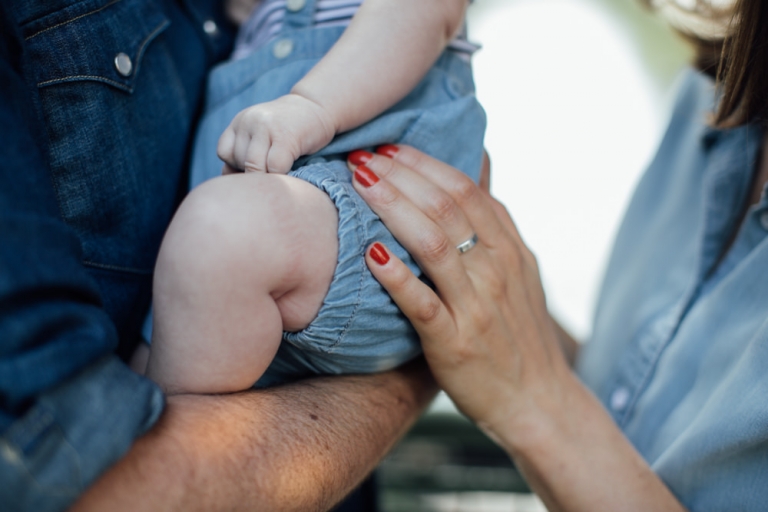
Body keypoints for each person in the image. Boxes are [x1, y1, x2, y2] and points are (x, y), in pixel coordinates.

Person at [0, 1, 438, 511]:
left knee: (225, 233)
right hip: (280, 241)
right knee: (199, 278)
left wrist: (313, 104)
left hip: (356, 199)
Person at [345, 0, 768, 509]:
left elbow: (556, 405)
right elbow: (633, 412)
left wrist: (536, 402)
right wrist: (476, 295)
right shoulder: (718, 91)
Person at [143, 0, 485, 393]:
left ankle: (176, 445)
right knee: (139, 367)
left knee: (223, 233)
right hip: (223, 267)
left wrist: (312, 105)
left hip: (365, 218)